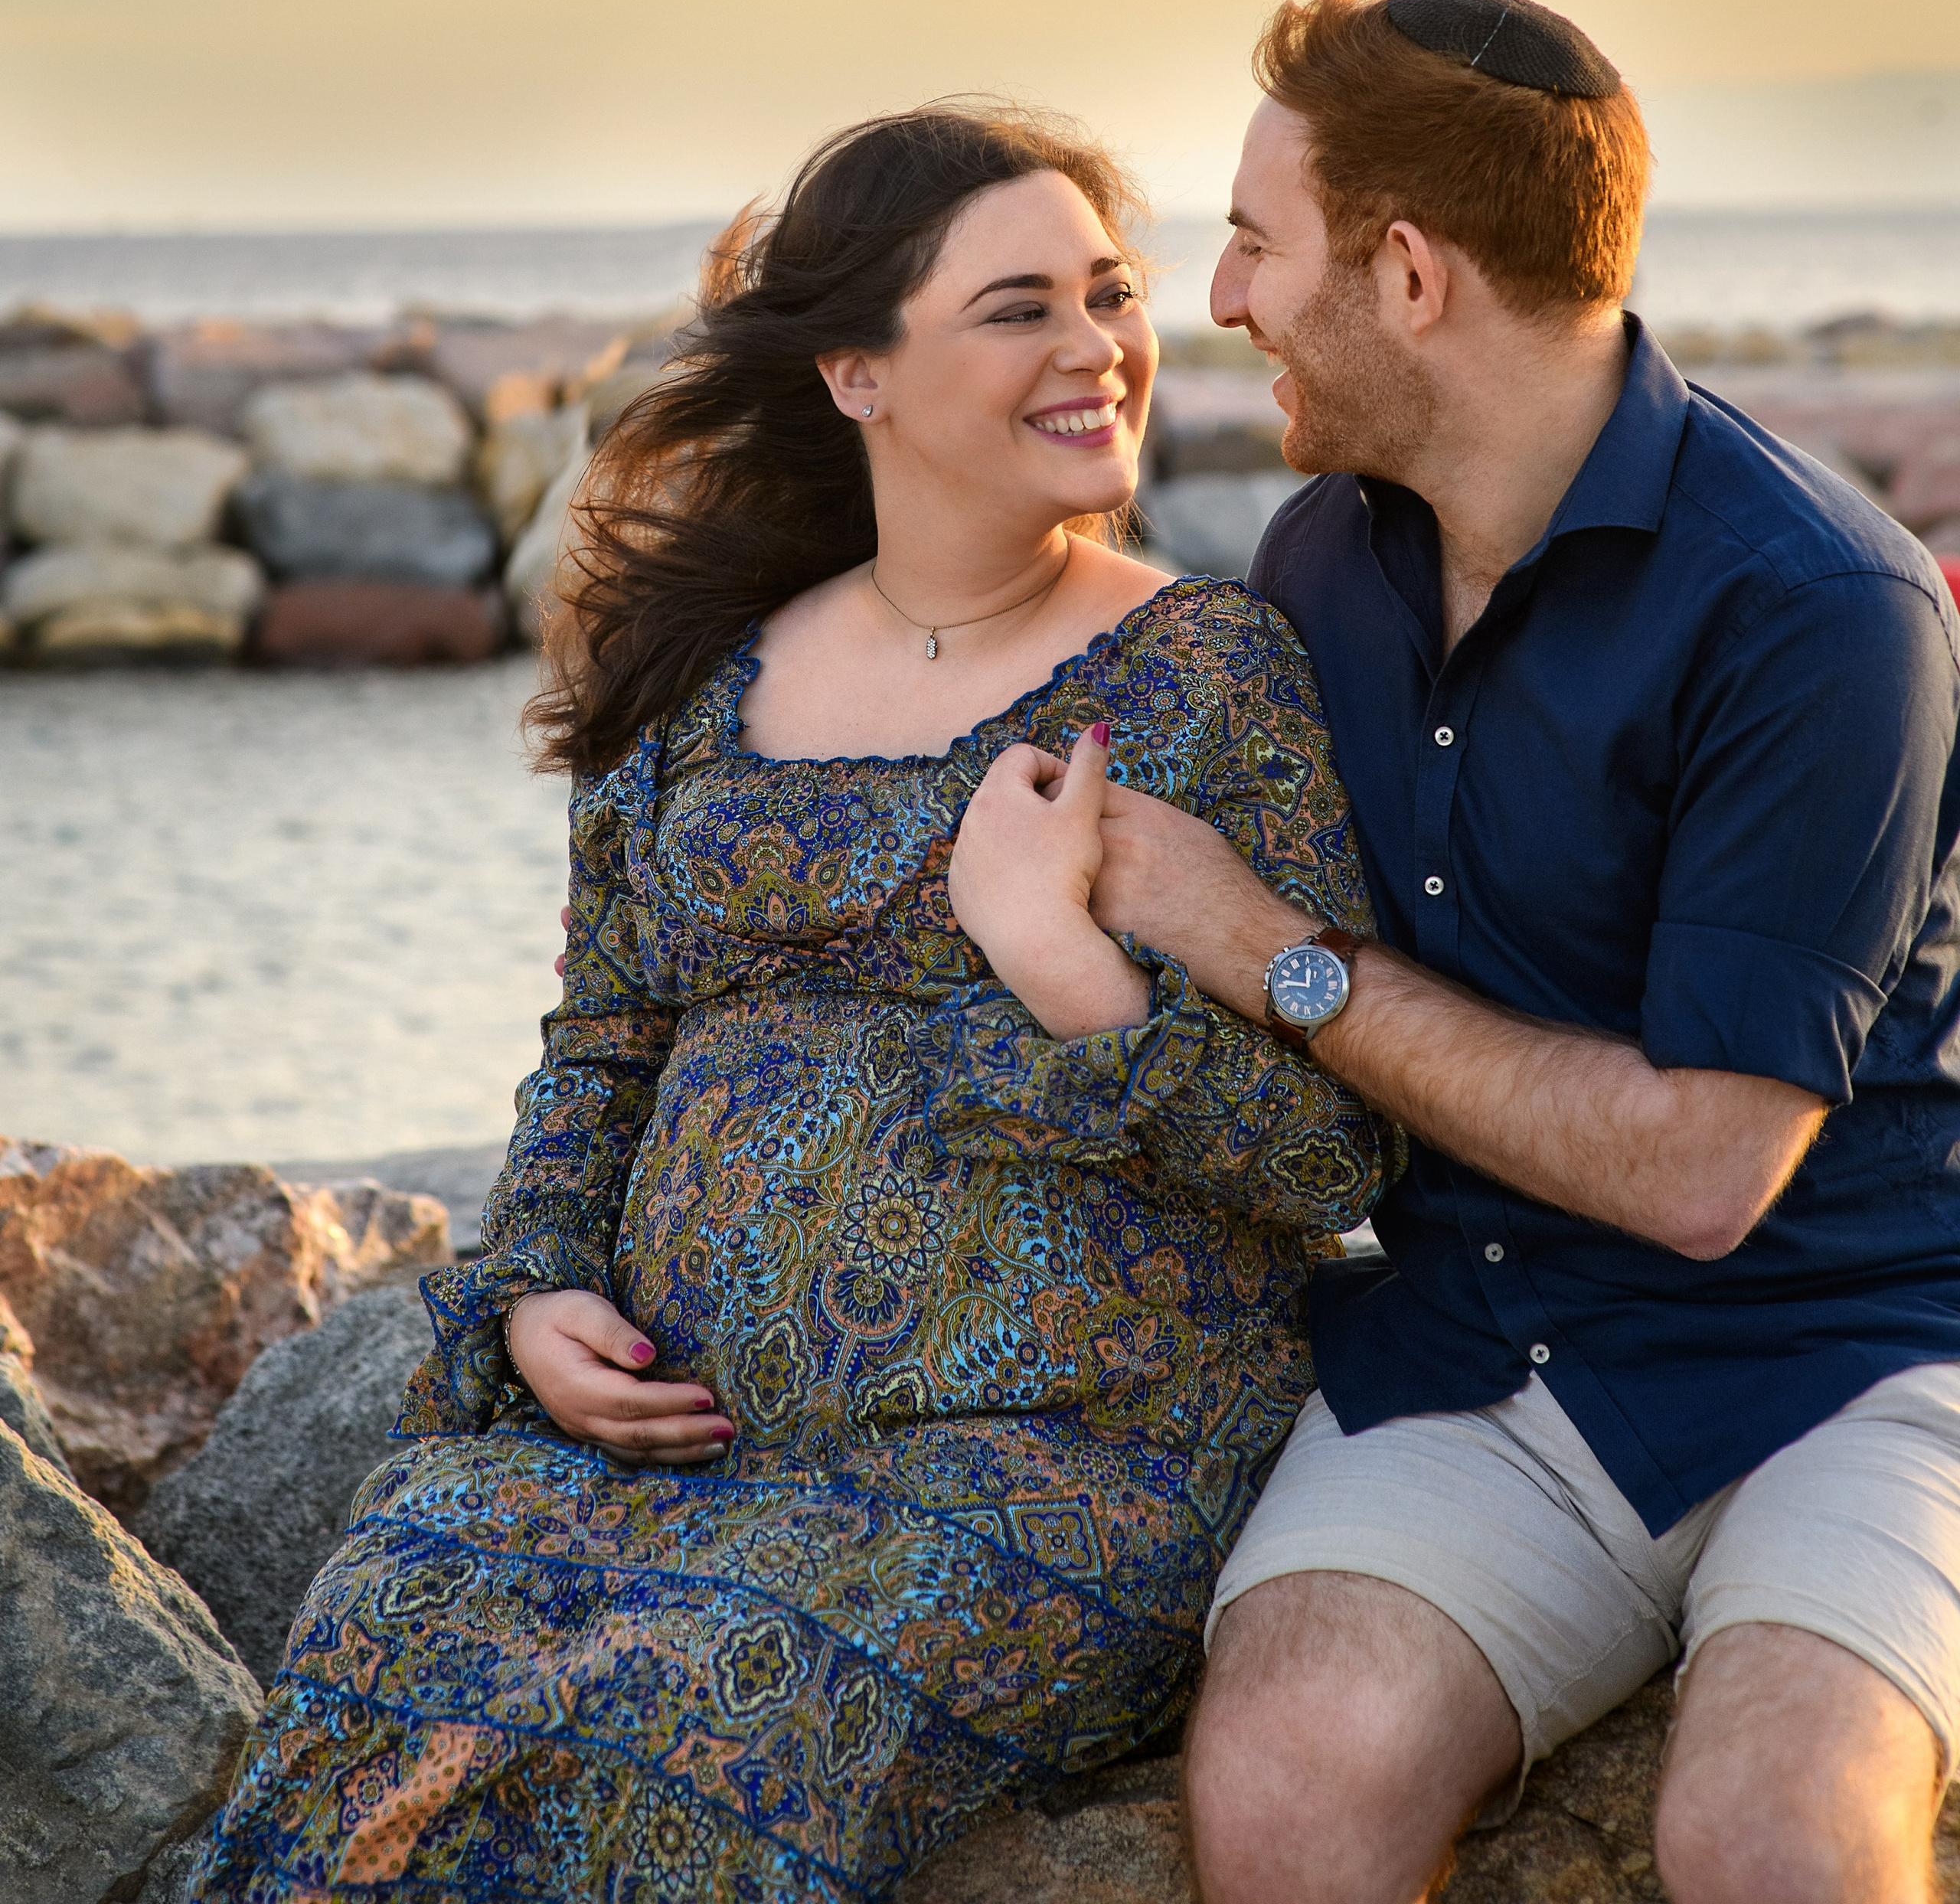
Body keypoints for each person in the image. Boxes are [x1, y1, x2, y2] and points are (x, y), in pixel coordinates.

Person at [194, 103, 1391, 1904]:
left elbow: (1327, 1155)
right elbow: (603, 1039)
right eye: (1018, 309)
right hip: (674, 1446)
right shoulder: (700, 677)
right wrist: (539, 1297)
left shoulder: (1211, 676)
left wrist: (1063, 973)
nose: (1096, 347)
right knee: (391, 1620)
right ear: (855, 373)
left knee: (702, 1712)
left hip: (1046, 1470)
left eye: (1107, 293)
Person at [987, 0, 1960, 1904]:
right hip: (1478, 1344)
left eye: (1257, 244)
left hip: (1852, 1355)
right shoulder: (1318, 562)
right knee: (1286, 1783)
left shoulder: (1816, 609)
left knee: (1767, 1829)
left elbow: (1701, 1172)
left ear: (1410, 276)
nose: (1222, 300)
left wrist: (1265, 946)